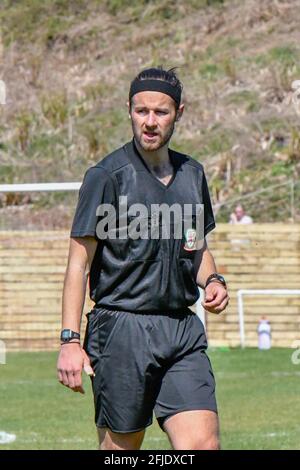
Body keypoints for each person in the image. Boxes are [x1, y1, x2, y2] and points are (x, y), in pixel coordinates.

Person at [57, 67, 229, 451]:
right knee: (123, 450)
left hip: (181, 329)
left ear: (179, 113)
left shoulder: (192, 175)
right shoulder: (106, 177)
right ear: (130, 111)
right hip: (121, 329)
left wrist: (213, 280)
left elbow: (196, 246)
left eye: (161, 112)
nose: (150, 122)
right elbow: (77, 264)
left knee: (203, 445)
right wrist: (69, 340)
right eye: (141, 111)